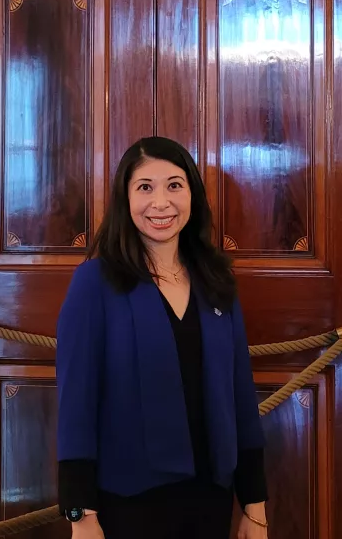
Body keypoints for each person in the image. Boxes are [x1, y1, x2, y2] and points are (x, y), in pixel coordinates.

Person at [56, 137, 269, 539]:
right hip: (129, 501)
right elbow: (76, 406)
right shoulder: (94, 283)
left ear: (192, 194)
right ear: (125, 197)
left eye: (174, 185)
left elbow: (240, 395)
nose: (161, 203)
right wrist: (81, 517)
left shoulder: (216, 280)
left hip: (211, 496)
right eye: (145, 187)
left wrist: (254, 505)